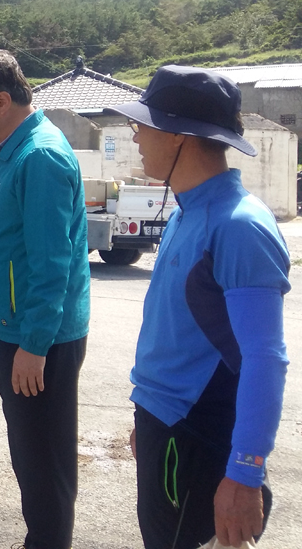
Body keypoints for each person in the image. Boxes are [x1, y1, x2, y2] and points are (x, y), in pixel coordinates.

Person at [109, 66, 289, 549]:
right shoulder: (187, 210)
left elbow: (265, 358)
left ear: (179, 136)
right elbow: (177, 337)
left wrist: (245, 471)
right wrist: (146, 415)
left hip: (199, 438)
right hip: (166, 427)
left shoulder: (238, 225)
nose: (137, 136)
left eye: (143, 124)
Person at [0, 50, 90, 549]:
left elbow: (52, 262)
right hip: (16, 331)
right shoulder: (15, 150)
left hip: (39, 341)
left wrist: (33, 345)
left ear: (2, 100)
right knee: (31, 456)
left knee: (45, 463)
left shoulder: (41, 156)